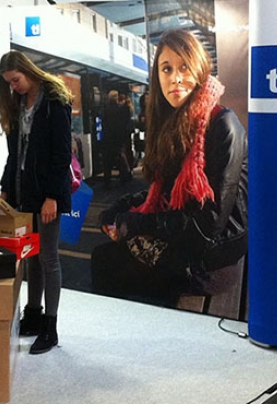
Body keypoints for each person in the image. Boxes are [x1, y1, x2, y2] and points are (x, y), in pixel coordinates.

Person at [91, 28, 249, 307]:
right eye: (166, 69)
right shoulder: (174, 125)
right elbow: (165, 191)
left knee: (108, 264)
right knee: (107, 257)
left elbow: (208, 223)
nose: (175, 78)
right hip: (188, 240)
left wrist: (136, 223)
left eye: (184, 67)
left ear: (200, 70)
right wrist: (121, 208)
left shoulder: (223, 124)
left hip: (211, 258)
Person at [0, 50, 72, 355]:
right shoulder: (17, 104)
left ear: (27, 71)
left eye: (16, 80)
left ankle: (50, 327)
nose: (13, 86)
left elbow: (62, 151)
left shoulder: (54, 98)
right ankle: (33, 314)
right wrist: (5, 189)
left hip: (48, 191)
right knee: (31, 255)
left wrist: (53, 195)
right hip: (23, 190)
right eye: (9, 83)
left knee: (49, 258)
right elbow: (14, 153)